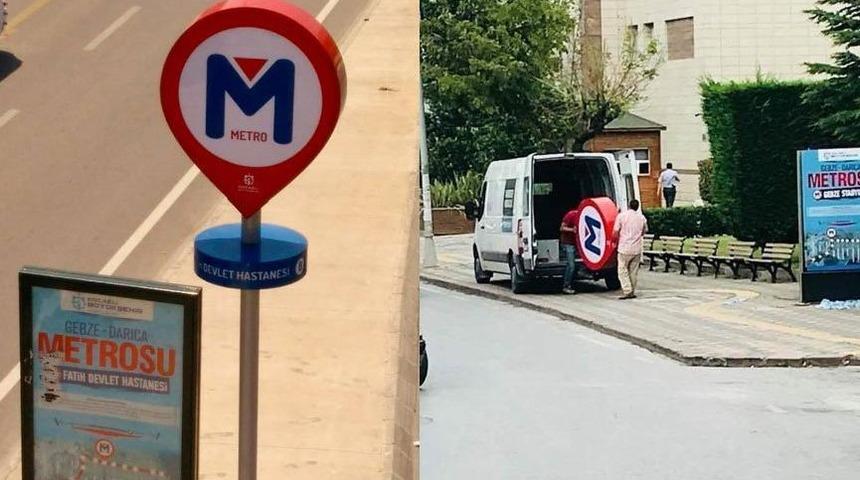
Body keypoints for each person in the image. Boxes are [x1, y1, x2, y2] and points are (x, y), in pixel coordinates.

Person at [613, 199, 648, 300]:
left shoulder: (622, 216)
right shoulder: (642, 218)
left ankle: (627, 290)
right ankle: (632, 291)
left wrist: (615, 240)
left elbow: (615, 231)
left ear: (629, 206)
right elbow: (645, 230)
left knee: (622, 270)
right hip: (636, 249)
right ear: (637, 207)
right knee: (633, 271)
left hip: (624, 248)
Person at [559, 208, 579, 294]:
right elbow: (562, 228)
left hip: (577, 243)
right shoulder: (571, 215)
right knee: (571, 265)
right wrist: (572, 230)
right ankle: (566, 286)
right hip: (568, 243)